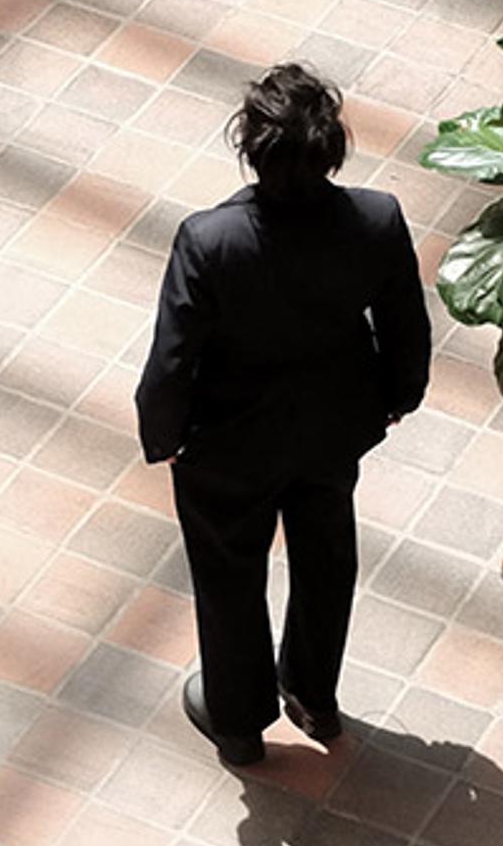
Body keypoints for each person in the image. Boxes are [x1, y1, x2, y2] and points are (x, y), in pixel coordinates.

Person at [135, 63, 432, 766]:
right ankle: (312, 694)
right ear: (332, 147)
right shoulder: (376, 219)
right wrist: (393, 400)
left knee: (229, 569)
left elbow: (173, 361)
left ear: (251, 147)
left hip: (229, 444)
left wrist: (164, 438)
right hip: (333, 431)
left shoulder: (209, 241)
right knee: (326, 553)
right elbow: (406, 330)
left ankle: (238, 721)